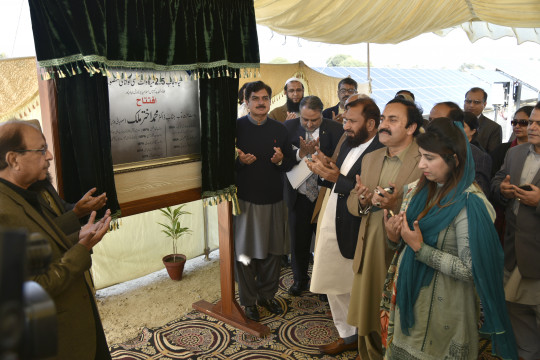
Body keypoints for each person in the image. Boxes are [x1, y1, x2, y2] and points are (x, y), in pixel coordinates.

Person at [381, 118, 517, 360]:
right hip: (410, 295)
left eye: (430, 158)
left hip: (446, 307)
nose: (422, 164)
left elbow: (471, 269)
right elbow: (404, 243)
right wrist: (394, 235)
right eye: (420, 156)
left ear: (454, 160)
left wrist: (421, 249)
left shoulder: (470, 203)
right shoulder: (417, 190)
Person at [0, 120, 112, 360]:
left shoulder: (26, 193)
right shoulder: (3, 212)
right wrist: (82, 249)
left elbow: (42, 249)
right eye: (41, 150)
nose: (49, 156)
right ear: (13, 159)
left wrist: (78, 237)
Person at [346, 97, 424, 360]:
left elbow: (432, 208)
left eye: (393, 120)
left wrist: (396, 204)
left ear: (411, 127)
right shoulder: (371, 157)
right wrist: (362, 200)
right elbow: (354, 203)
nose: (384, 125)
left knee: (396, 320)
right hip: (369, 249)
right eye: (383, 119)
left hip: (402, 254)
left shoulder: (423, 160)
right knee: (367, 318)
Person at [308, 94, 384, 355]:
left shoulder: (380, 151)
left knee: (355, 285)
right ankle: (346, 334)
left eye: (352, 121)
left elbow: (371, 193)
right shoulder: (350, 141)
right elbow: (343, 173)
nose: (345, 126)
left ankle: (363, 336)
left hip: (357, 226)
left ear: (372, 124)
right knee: (332, 282)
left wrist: (335, 177)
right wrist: (327, 165)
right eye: (345, 119)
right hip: (332, 216)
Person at [234, 80, 295, 322]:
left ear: (271, 101)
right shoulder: (236, 129)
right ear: (246, 103)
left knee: (273, 253)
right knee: (245, 255)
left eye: (265, 98)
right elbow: (221, 168)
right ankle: (248, 301)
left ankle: (267, 296)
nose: (261, 103)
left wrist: (280, 161)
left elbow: (290, 164)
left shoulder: (280, 130)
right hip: (246, 202)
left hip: (274, 201)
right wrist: (240, 162)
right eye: (256, 99)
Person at [491, 101, 540, 360]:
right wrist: (503, 189)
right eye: (530, 121)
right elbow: (498, 179)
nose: (531, 127)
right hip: (512, 253)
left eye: (537, 123)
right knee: (517, 314)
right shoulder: (516, 153)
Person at [283, 96, 343, 296]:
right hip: (298, 196)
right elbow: (283, 160)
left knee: (325, 243)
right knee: (298, 243)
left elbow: (340, 163)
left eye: (314, 120)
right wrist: (299, 153)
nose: (309, 124)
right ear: (300, 113)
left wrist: (323, 162)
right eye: (305, 119)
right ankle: (300, 280)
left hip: (324, 197)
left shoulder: (336, 129)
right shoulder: (288, 128)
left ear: (321, 115)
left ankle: (324, 285)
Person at [429, 101, 492, 195]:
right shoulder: (425, 150)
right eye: (430, 120)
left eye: (438, 121)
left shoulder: (477, 157)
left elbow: (479, 195)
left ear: (455, 125)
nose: (430, 126)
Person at [490, 105, 533, 177]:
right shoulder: (501, 149)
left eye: (523, 123)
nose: (517, 126)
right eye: (514, 122)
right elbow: (492, 176)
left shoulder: (536, 151)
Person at [464, 87, 502, 153]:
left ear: (484, 104)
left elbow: (493, 156)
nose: (471, 105)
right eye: (468, 101)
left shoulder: (493, 128)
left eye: (476, 102)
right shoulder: (453, 121)